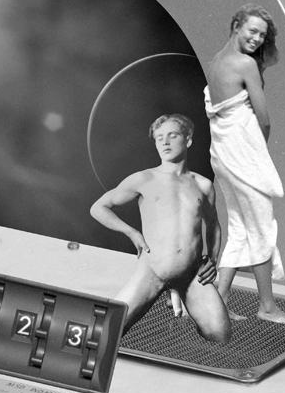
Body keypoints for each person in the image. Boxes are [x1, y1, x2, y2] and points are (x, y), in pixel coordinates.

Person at [90, 115, 231, 343]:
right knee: (106, 334)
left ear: (188, 140)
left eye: (172, 136)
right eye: (159, 138)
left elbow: (213, 224)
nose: (165, 142)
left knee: (220, 335)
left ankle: (182, 309)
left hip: (192, 273)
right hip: (152, 271)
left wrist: (212, 260)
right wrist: (132, 232)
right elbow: (98, 208)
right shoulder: (144, 178)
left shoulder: (203, 185)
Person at [204, 4, 285, 325]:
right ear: (236, 26)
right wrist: (258, 151)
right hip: (242, 157)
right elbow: (264, 119)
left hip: (222, 155)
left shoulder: (216, 61)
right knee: (261, 229)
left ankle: (219, 300)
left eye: (262, 35)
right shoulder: (245, 64)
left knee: (240, 228)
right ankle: (267, 306)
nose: (257, 39)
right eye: (252, 31)